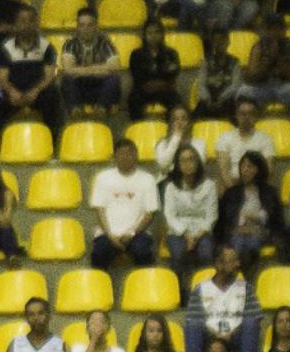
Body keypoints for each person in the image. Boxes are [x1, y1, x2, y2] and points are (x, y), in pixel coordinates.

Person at [184, 244, 261, 352]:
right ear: (218, 264)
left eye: (237, 260)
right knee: (192, 325)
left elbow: (253, 318)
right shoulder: (201, 289)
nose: (237, 264)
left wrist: (229, 335)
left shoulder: (247, 288)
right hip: (209, 339)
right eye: (232, 260)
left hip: (236, 338)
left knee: (251, 323)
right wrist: (216, 335)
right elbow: (194, 319)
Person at [0, 3, 63, 143]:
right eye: (22, 21)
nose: (26, 25)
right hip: (13, 93)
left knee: (53, 95)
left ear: (35, 23)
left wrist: (35, 91)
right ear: (16, 24)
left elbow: (49, 76)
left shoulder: (46, 47)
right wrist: (12, 91)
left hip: (38, 92)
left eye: (30, 21)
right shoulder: (5, 47)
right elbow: (2, 77)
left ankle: (53, 142)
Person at [89, 137, 159, 270]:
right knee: (98, 253)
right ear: (114, 157)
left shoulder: (147, 179)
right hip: (107, 233)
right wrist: (110, 236)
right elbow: (100, 210)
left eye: (129, 153)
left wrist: (131, 233)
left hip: (138, 233)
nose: (125, 157)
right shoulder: (102, 178)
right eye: (121, 154)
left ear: (136, 155)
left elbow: (150, 214)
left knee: (143, 252)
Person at [163, 142, 219, 286]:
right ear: (177, 164)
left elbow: (212, 216)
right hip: (178, 232)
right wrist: (186, 235)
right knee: (178, 254)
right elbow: (170, 216)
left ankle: (206, 291)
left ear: (197, 162)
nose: (187, 164)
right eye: (183, 160)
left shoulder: (209, 185)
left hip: (202, 231)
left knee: (206, 253)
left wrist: (196, 236)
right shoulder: (171, 187)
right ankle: (180, 294)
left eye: (191, 159)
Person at [216, 149, 284, 267]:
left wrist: (256, 225)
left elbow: (275, 219)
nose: (245, 170)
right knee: (238, 242)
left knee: (251, 242)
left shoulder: (269, 192)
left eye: (250, 167)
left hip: (260, 232)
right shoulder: (232, 193)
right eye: (243, 166)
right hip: (237, 231)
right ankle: (242, 271)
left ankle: (242, 271)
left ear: (259, 169)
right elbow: (225, 218)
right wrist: (238, 226)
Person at [239, 15, 290, 124]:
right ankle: (245, 131)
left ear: (284, 30)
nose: (276, 32)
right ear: (266, 30)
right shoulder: (258, 46)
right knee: (243, 92)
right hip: (262, 86)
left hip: (285, 86)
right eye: (272, 29)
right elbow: (251, 78)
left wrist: (280, 62)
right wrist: (269, 61)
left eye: (279, 28)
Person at [58, 4, 121, 116]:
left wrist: (81, 70)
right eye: (82, 25)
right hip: (79, 88)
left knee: (114, 79)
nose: (85, 29)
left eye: (89, 25)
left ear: (96, 26)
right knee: (66, 79)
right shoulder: (70, 43)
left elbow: (115, 67)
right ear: (77, 27)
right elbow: (68, 70)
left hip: (99, 87)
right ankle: (75, 109)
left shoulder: (105, 43)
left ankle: (101, 108)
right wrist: (101, 69)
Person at [214, 96, 277, 188]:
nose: (246, 117)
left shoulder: (265, 139)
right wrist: (234, 191)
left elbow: (268, 170)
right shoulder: (225, 138)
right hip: (231, 185)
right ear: (236, 115)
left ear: (256, 116)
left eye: (251, 113)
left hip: (257, 185)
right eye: (242, 114)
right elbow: (224, 171)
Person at [127, 17, 181, 121]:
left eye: (157, 32)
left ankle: (170, 129)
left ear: (162, 34)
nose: (153, 36)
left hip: (165, 89)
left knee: (176, 102)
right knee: (133, 100)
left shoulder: (171, 53)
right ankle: (137, 127)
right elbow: (137, 76)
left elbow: (173, 73)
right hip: (143, 90)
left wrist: (159, 82)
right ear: (144, 35)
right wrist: (156, 79)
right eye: (150, 33)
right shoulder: (136, 54)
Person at [192, 28, 243, 120]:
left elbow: (236, 85)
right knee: (197, 113)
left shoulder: (234, 62)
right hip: (208, 98)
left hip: (227, 99)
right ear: (213, 43)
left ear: (228, 42)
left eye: (222, 40)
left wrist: (222, 98)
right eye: (216, 41)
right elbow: (201, 84)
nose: (219, 44)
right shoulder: (206, 62)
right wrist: (207, 99)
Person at [154, 105, 202, 181]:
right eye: (175, 119)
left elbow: (198, 166)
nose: (179, 122)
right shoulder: (162, 143)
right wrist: (176, 138)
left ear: (189, 123)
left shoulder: (199, 143)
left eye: (183, 119)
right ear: (170, 123)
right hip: (167, 182)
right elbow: (163, 165)